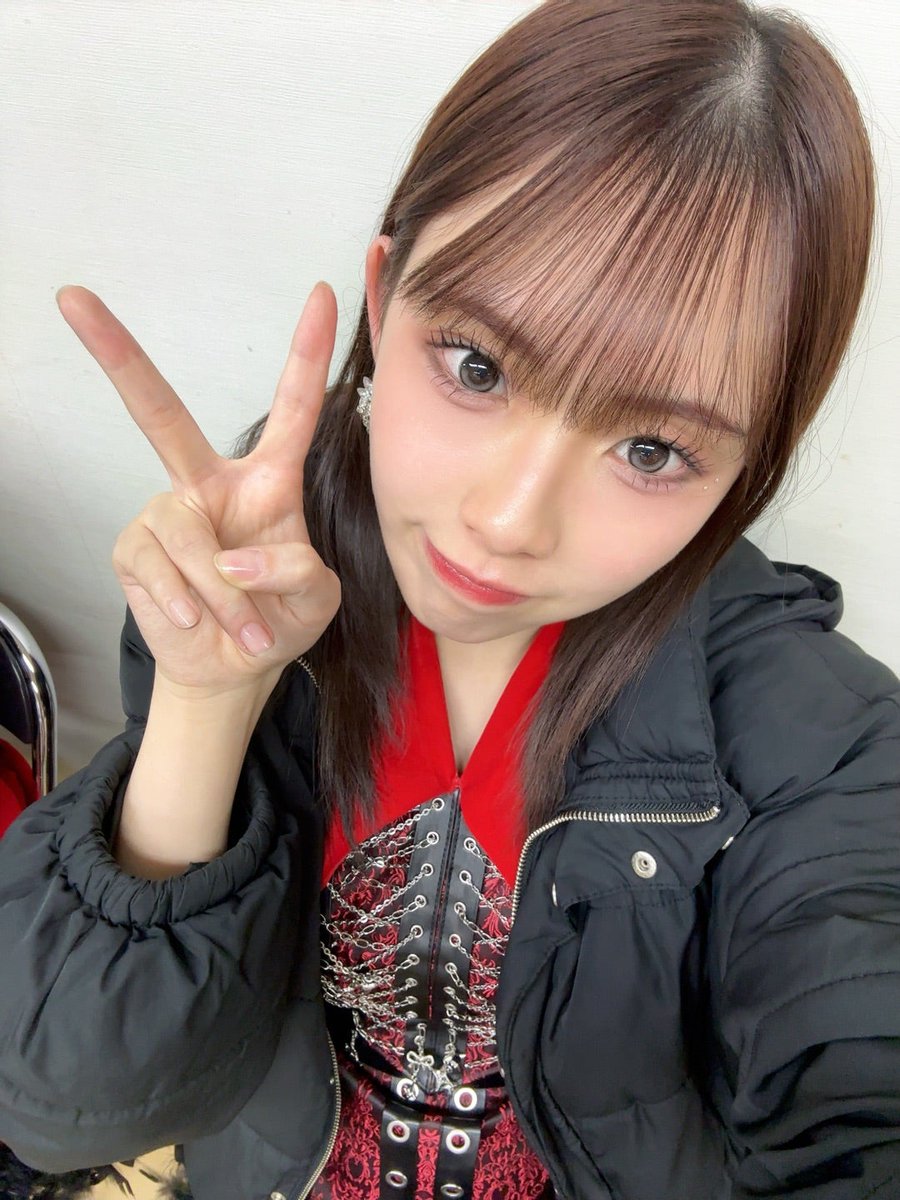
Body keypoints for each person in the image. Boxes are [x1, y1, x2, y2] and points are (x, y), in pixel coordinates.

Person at [1, 1, 898, 1197]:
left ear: (744, 472)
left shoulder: (817, 742)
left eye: (651, 449)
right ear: (384, 302)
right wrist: (210, 698)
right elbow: (72, 1102)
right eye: (478, 366)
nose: (511, 520)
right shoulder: (251, 564)